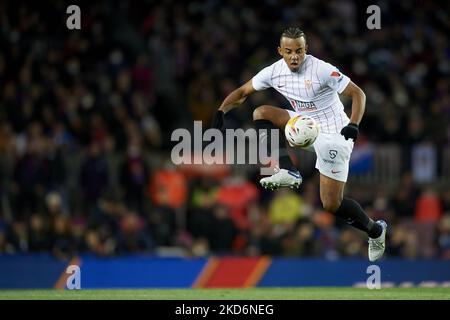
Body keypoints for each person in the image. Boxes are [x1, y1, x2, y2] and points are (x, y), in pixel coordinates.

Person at [212, 27, 387, 261]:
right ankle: (287, 170)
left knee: (331, 204)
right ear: (280, 51)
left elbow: (358, 94)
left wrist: (353, 124)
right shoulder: (274, 71)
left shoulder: (322, 69)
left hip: (335, 135)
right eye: (288, 51)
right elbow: (243, 91)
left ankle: (375, 231)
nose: (294, 56)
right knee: (261, 112)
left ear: (306, 50)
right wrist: (221, 110)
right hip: (303, 126)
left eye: (299, 51)